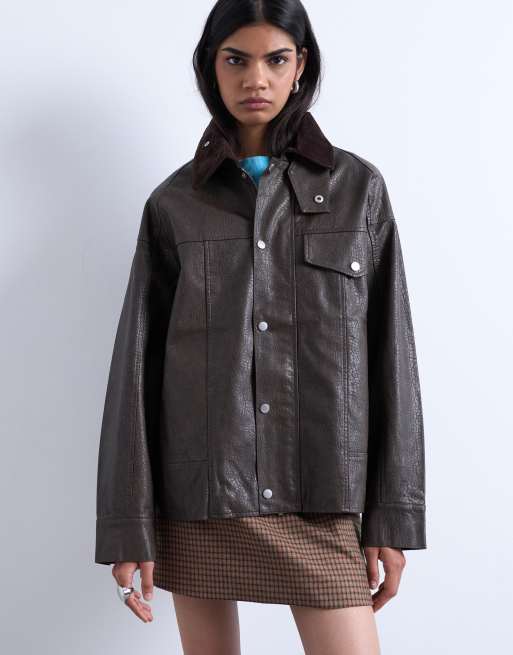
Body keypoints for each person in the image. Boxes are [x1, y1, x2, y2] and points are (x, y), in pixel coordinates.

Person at [95, 1, 427, 653]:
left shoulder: (358, 189)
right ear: (210, 68)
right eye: (236, 60)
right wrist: (128, 525)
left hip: (322, 490)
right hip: (201, 494)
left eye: (276, 59)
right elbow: (135, 371)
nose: (256, 79)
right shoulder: (174, 203)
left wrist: (392, 516)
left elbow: (393, 356)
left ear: (301, 66)